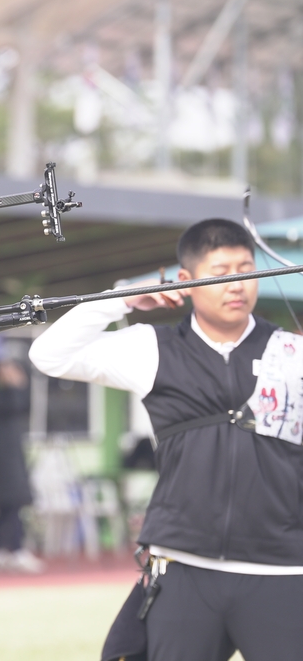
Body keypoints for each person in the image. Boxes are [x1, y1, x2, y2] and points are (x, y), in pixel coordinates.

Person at [29, 219, 303, 661]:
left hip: (284, 568)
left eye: (247, 270)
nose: (237, 284)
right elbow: (48, 355)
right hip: (183, 569)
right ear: (186, 282)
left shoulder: (293, 353)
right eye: (222, 272)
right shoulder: (151, 349)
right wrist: (119, 302)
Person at [0, 360, 42, 573]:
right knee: (10, 500)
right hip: (0, 455)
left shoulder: (9, 393)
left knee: (9, 503)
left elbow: (25, 406)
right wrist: (14, 386)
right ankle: (15, 549)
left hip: (16, 452)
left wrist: (20, 386)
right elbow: (12, 405)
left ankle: (0, 549)